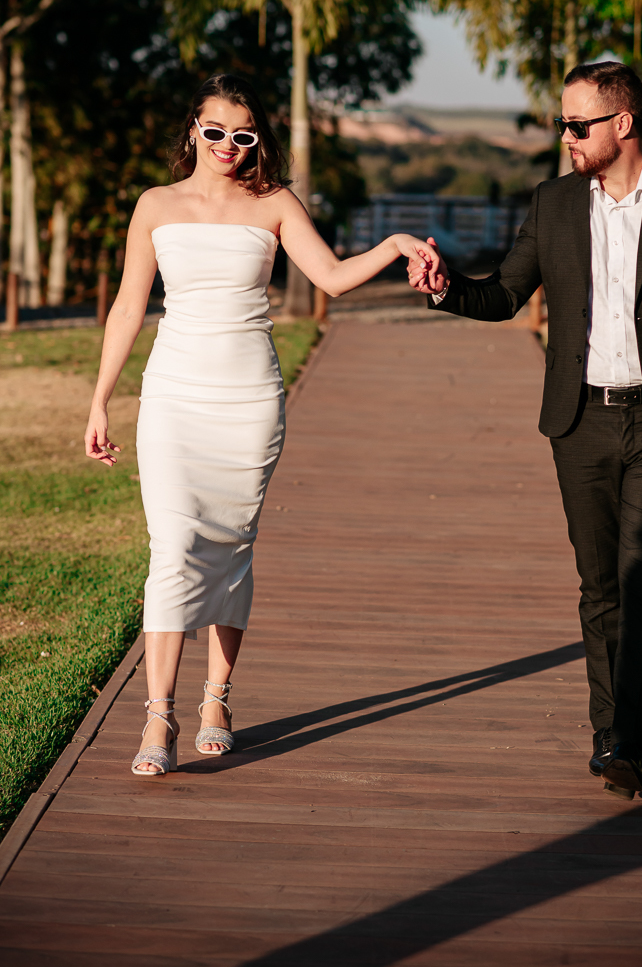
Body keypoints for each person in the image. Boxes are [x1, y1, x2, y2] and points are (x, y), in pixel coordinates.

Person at [408, 62, 642, 799]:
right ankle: (609, 733)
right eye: (560, 124)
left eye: (576, 125)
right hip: (580, 422)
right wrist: (445, 288)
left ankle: (628, 739)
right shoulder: (555, 203)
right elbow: (505, 293)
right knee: (598, 585)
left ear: (621, 124)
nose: (564, 137)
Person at [85, 72, 439, 777]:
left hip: (249, 401)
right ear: (193, 130)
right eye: (213, 130)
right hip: (172, 399)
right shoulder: (155, 205)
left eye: (241, 135)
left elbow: (332, 277)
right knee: (173, 545)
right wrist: (99, 399)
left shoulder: (272, 202)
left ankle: (217, 698)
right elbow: (129, 306)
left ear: (255, 142)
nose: (225, 145)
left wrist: (397, 243)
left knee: (230, 546)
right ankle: (159, 716)